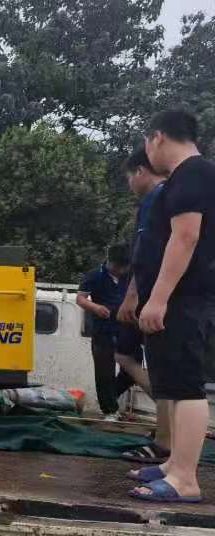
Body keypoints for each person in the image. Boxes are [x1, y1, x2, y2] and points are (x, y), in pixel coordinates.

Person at [128, 109, 215, 503]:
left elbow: (185, 237)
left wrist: (159, 298)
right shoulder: (190, 176)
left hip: (183, 299)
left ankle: (185, 479)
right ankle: (174, 464)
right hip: (178, 299)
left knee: (187, 388)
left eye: (147, 144)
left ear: (157, 137)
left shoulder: (192, 174)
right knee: (175, 387)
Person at [116, 148, 170, 462]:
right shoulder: (174, 197)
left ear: (140, 171)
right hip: (166, 296)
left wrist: (134, 295)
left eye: (129, 178)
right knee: (167, 370)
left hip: (156, 298)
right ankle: (168, 434)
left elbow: (146, 255)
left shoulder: (156, 200)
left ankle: (165, 442)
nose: (130, 185)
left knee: (166, 371)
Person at [77, 245, 132, 420]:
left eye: (123, 267)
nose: (120, 271)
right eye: (117, 267)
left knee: (133, 369)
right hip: (103, 329)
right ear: (110, 261)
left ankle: (110, 397)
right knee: (104, 371)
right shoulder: (94, 275)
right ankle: (109, 410)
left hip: (126, 328)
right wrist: (96, 308)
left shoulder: (130, 276)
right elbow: (80, 298)